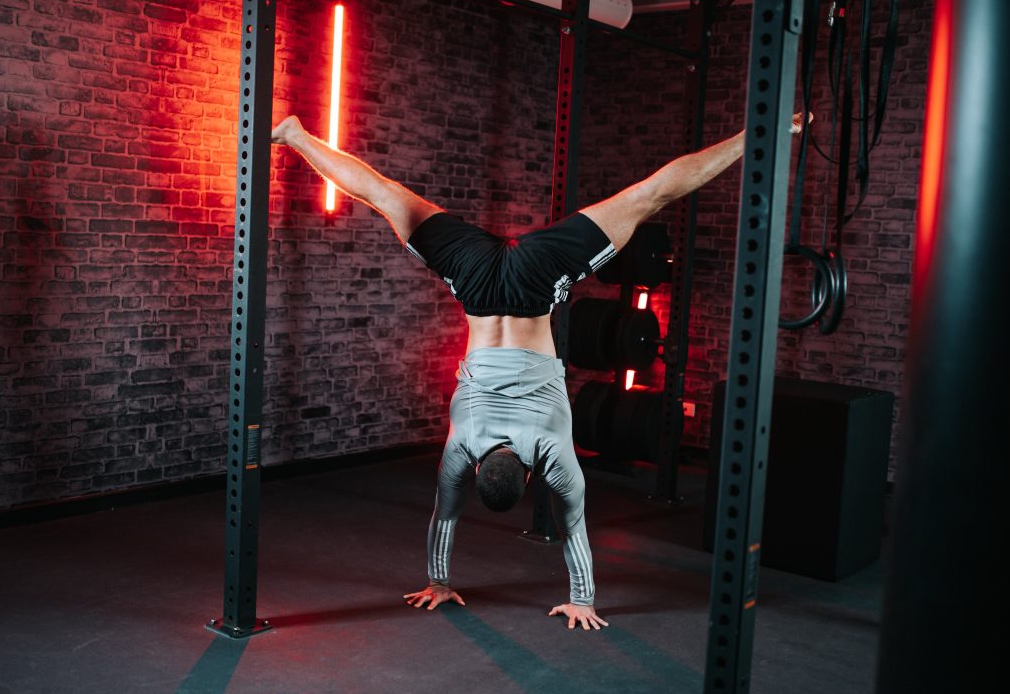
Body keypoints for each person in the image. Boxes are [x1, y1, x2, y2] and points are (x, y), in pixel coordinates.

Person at [270, 111, 807, 631]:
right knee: (384, 193)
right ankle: (295, 135)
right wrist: (436, 580)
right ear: (481, 468)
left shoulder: (550, 454)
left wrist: (582, 599)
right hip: (476, 282)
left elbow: (572, 526)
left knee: (646, 199)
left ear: (529, 476)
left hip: (535, 285)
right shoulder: (462, 447)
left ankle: (757, 133)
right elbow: (444, 516)